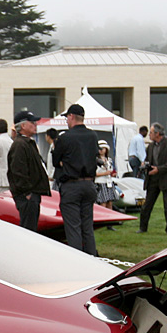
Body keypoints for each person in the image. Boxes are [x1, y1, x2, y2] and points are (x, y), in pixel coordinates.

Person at [52, 104, 98, 255]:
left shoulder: (65, 138)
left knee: (73, 227)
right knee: (87, 226)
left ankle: (77, 259)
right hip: (89, 184)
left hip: (71, 185)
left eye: (67, 118)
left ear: (71, 116)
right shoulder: (93, 136)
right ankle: (92, 256)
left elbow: (55, 160)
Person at [8, 110, 50, 231]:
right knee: (28, 230)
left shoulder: (27, 143)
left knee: (31, 228)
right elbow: (17, 171)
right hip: (27, 195)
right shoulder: (20, 144)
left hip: (31, 193)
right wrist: (27, 193)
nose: (35, 125)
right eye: (32, 122)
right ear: (23, 126)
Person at [138, 123, 167, 234]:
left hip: (166, 179)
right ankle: (143, 227)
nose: (149, 135)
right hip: (153, 179)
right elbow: (148, 159)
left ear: (157, 134)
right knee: (147, 205)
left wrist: (159, 169)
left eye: (151, 132)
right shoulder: (150, 146)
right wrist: (144, 164)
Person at [94, 139, 117, 210]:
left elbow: (111, 169)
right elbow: (94, 173)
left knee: (110, 202)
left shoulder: (109, 160)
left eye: (103, 148)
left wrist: (113, 174)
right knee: (103, 202)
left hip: (108, 182)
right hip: (100, 183)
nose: (101, 150)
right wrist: (104, 173)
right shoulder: (95, 160)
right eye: (100, 149)